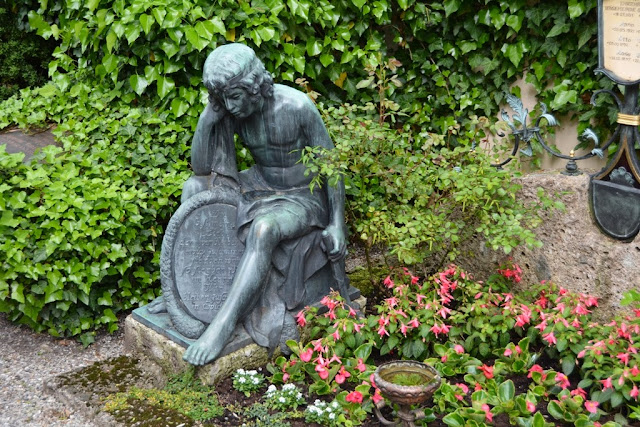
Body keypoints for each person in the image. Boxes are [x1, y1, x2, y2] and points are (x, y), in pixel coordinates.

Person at [180, 43, 346, 366]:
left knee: (264, 229)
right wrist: (208, 116)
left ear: (254, 87)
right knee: (194, 188)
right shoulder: (232, 110)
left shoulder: (297, 107)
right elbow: (201, 167)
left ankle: (222, 325)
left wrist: (337, 223)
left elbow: (331, 166)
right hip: (258, 184)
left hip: (302, 196)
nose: (229, 105)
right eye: (223, 99)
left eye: (234, 97)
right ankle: (195, 296)